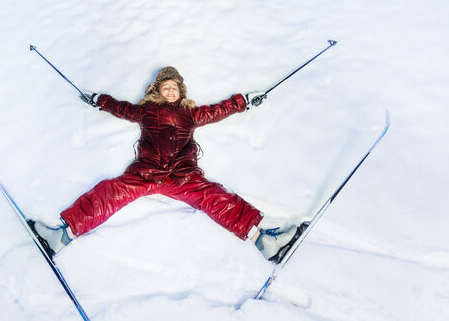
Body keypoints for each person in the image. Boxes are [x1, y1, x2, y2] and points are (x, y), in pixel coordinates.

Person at [29, 67, 301, 261]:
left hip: (183, 177)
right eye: (165, 87)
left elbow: (219, 110)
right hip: (146, 173)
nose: (170, 90)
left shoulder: (191, 114)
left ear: (181, 92)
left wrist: (243, 102)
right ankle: (62, 236)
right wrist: (100, 101)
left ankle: (264, 240)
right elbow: (120, 108)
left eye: (175, 87)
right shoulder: (145, 111)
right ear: (157, 91)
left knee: (217, 197)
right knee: (108, 192)